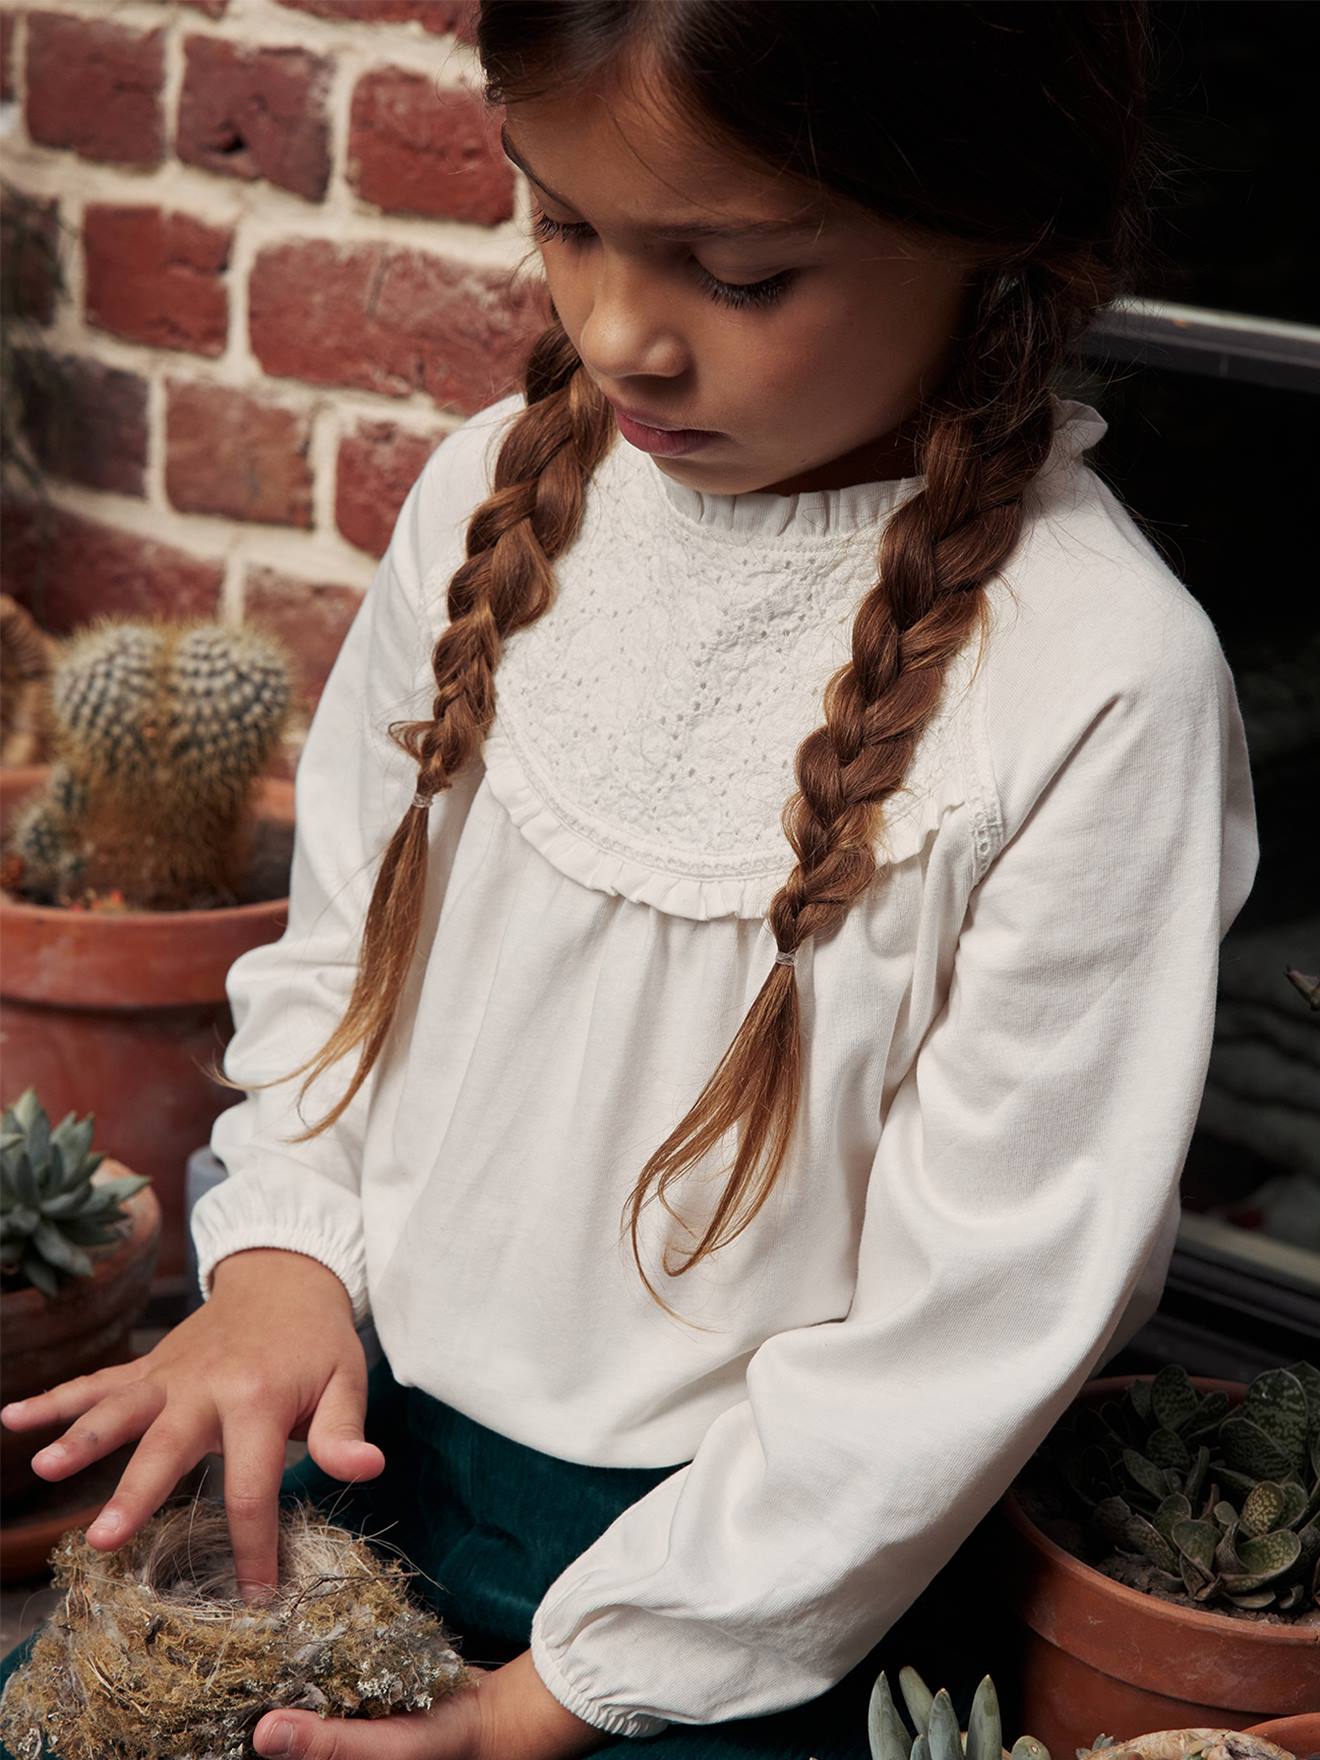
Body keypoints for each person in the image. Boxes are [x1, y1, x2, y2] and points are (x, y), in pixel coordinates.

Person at [0, 4, 1259, 1757]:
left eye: (737, 273)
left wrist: (542, 1705)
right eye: (565, 221)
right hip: (361, 1436)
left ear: (999, 229)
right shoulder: (489, 504)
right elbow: (335, 959)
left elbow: (975, 1328)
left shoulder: (1099, 682)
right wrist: (278, 1260)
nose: (616, 334)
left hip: (736, 1596)